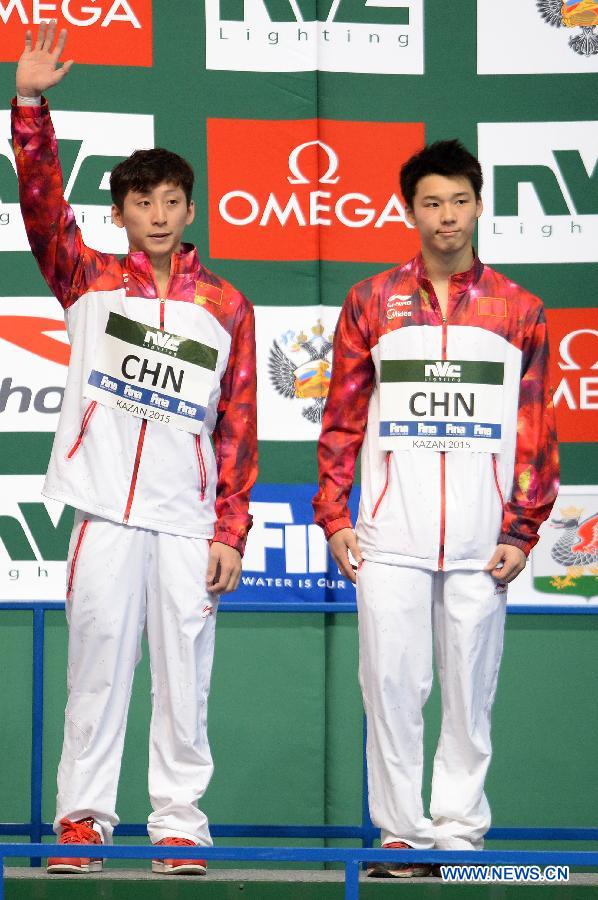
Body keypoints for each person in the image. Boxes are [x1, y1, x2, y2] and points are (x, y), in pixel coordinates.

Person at [13, 22, 257, 876]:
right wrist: (30, 107)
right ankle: (81, 820)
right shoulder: (86, 279)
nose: (157, 215)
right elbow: (43, 204)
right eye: (140, 203)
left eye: (170, 201)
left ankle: (180, 822)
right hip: (106, 513)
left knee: (186, 681)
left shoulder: (226, 303)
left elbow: (237, 425)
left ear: (190, 210)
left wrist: (231, 528)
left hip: (190, 521)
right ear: (120, 215)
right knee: (96, 670)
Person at [313, 139, 559, 877]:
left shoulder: (520, 309)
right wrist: (335, 514)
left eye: (458, 201)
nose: (446, 216)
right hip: (391, 534)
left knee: (469, 692)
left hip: (485, 538)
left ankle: (457, 833)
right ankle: (401, 835)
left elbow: (535, 429)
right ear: (409, 210)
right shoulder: (370, 300)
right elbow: (342, 418)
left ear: (479, 204)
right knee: (390, 685)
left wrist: (524, 527)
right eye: (431, 203)